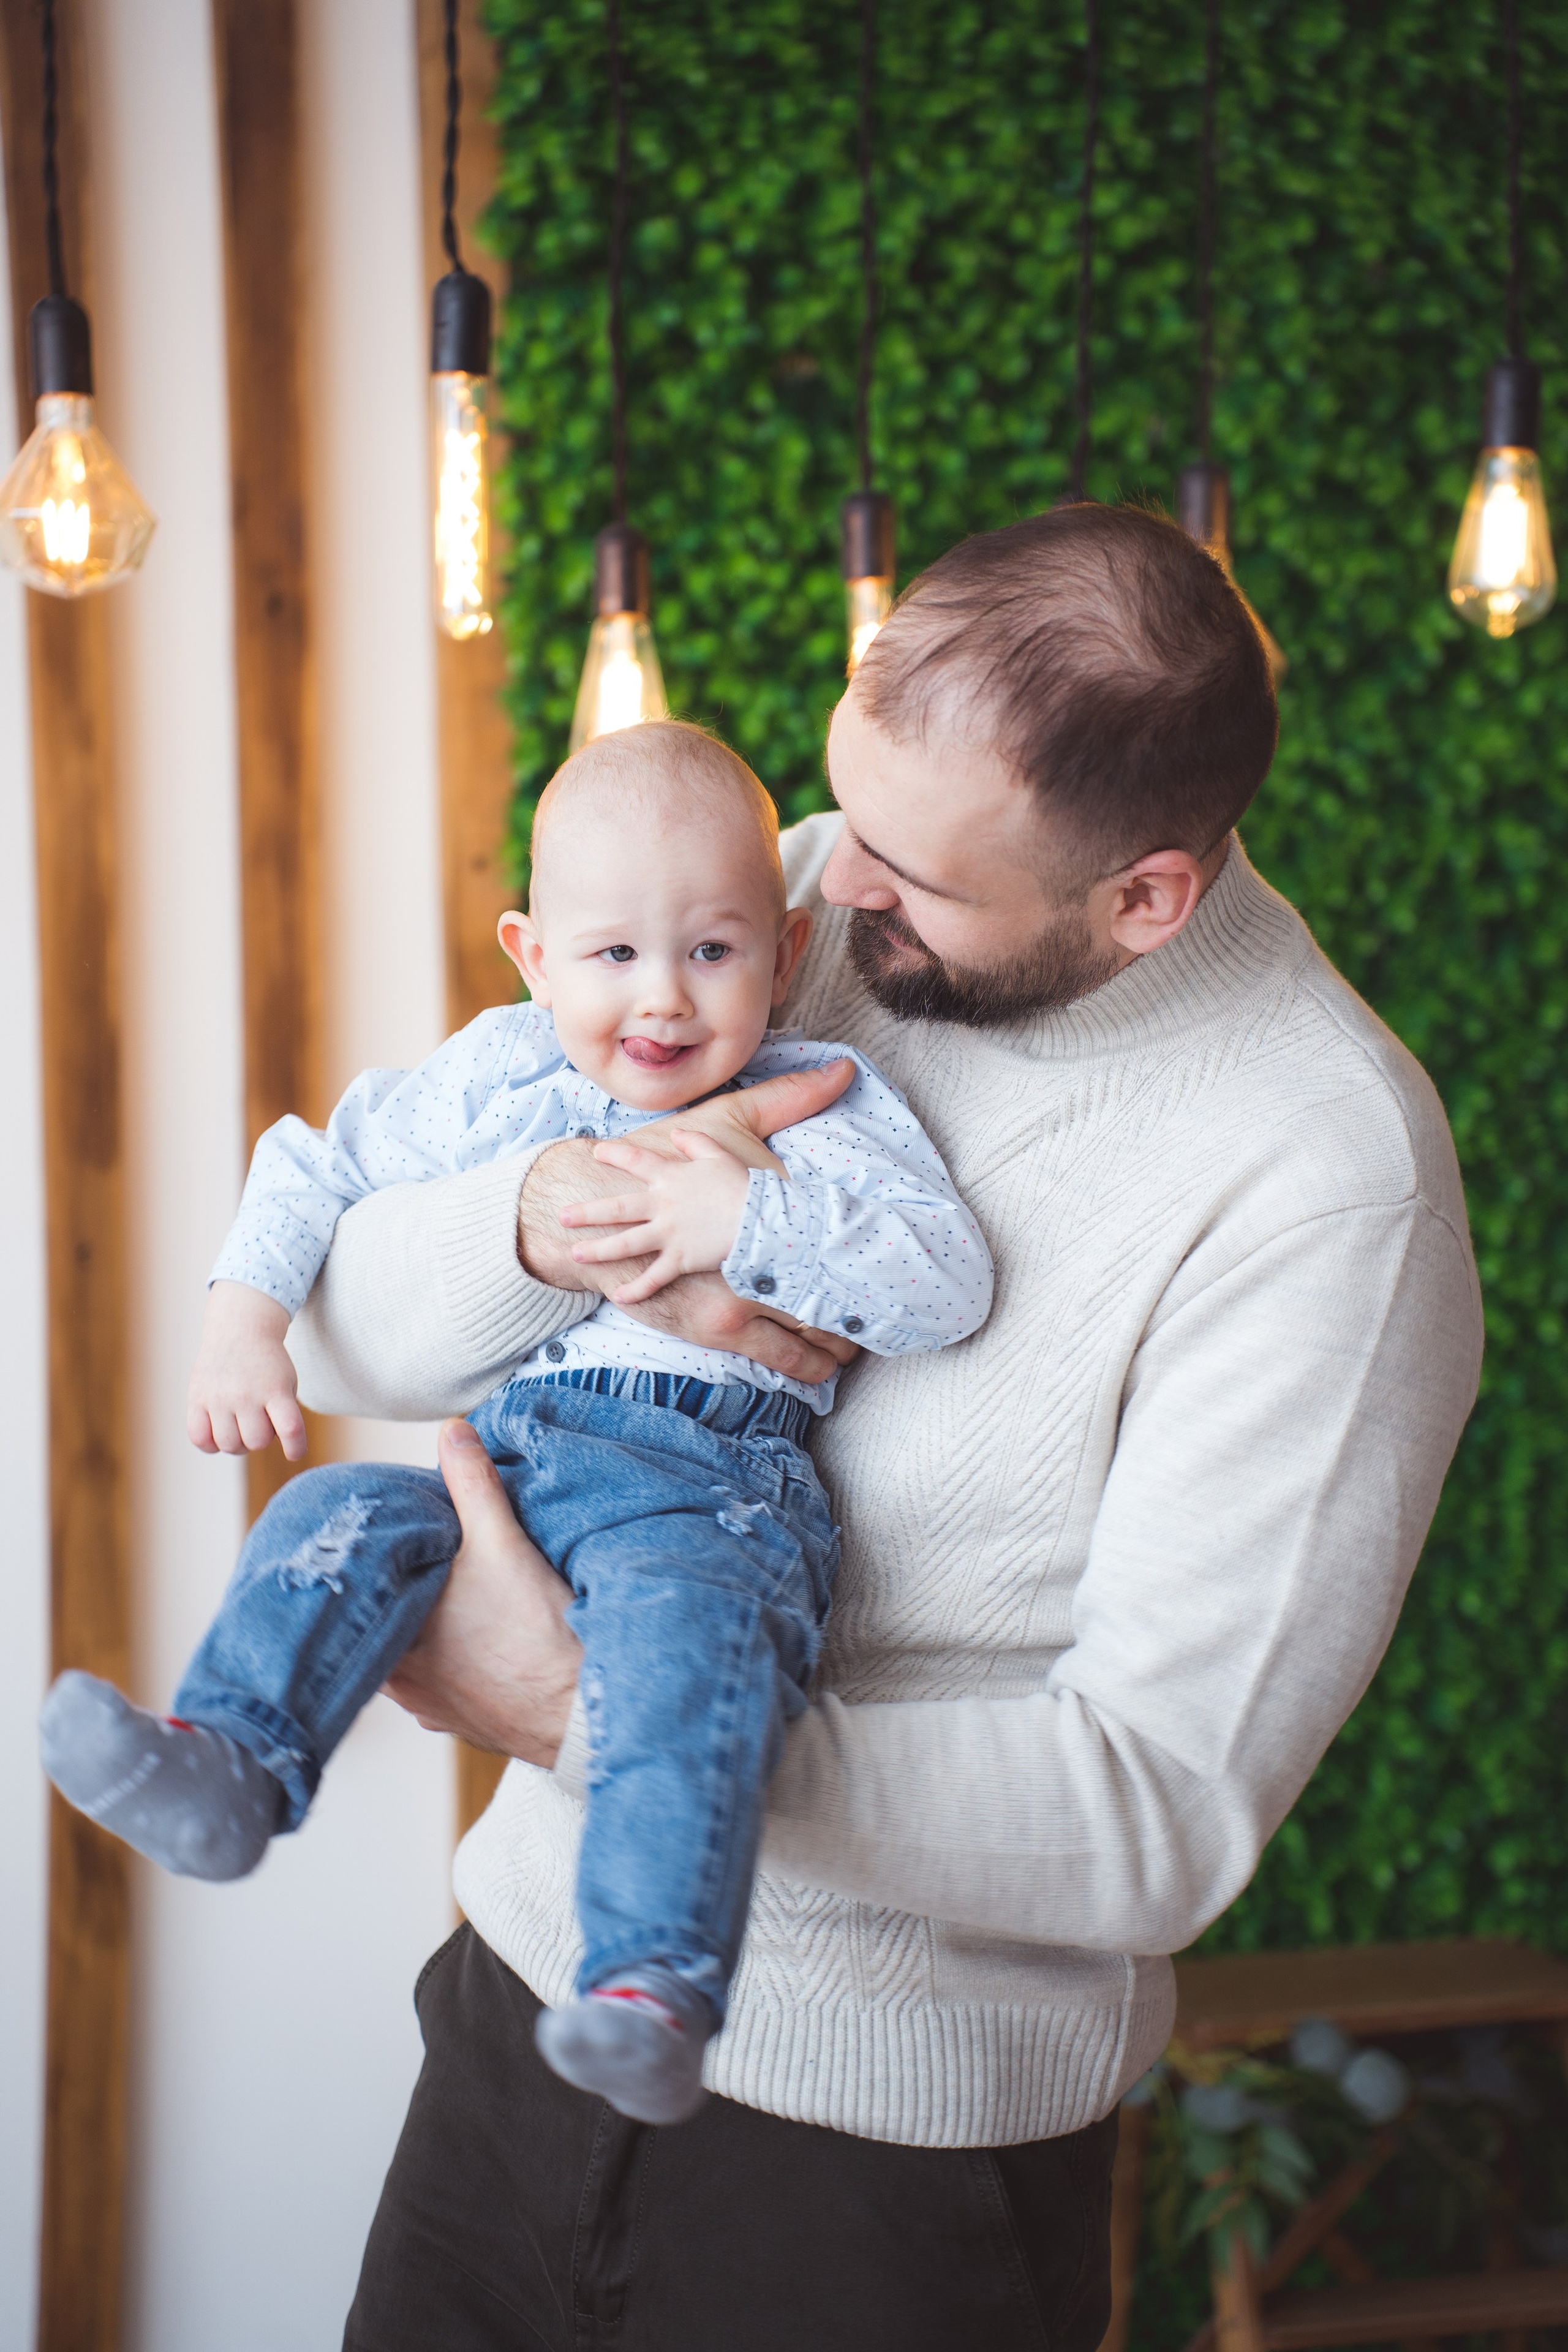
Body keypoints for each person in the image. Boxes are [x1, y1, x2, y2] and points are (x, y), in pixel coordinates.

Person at [301, 503, 1479, 2350]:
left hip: (879, 2177)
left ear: (1143, 897)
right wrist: (544, 1217)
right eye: (840, 816)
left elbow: (1154, 1814)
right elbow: (346, 1321)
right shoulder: (801, 902)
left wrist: (604, 1733)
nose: (832, 890)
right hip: (517, 2026)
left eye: (908, 874)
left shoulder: (1324, 1179)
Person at [37, 722, 992, 2128]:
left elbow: (947, 1282)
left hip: (710, 1487)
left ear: (785, 956)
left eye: (712, 952)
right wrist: (239, 1317)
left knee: (687, 1657)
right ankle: (236, 1758)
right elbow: (317, 1165)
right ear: (530, 953)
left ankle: (650, 1982)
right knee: (327, 1515)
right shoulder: (496, 1077)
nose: (660, 998)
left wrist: (750, 1212)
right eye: (610, 955)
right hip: (522, 1452)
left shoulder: (829, 1108)